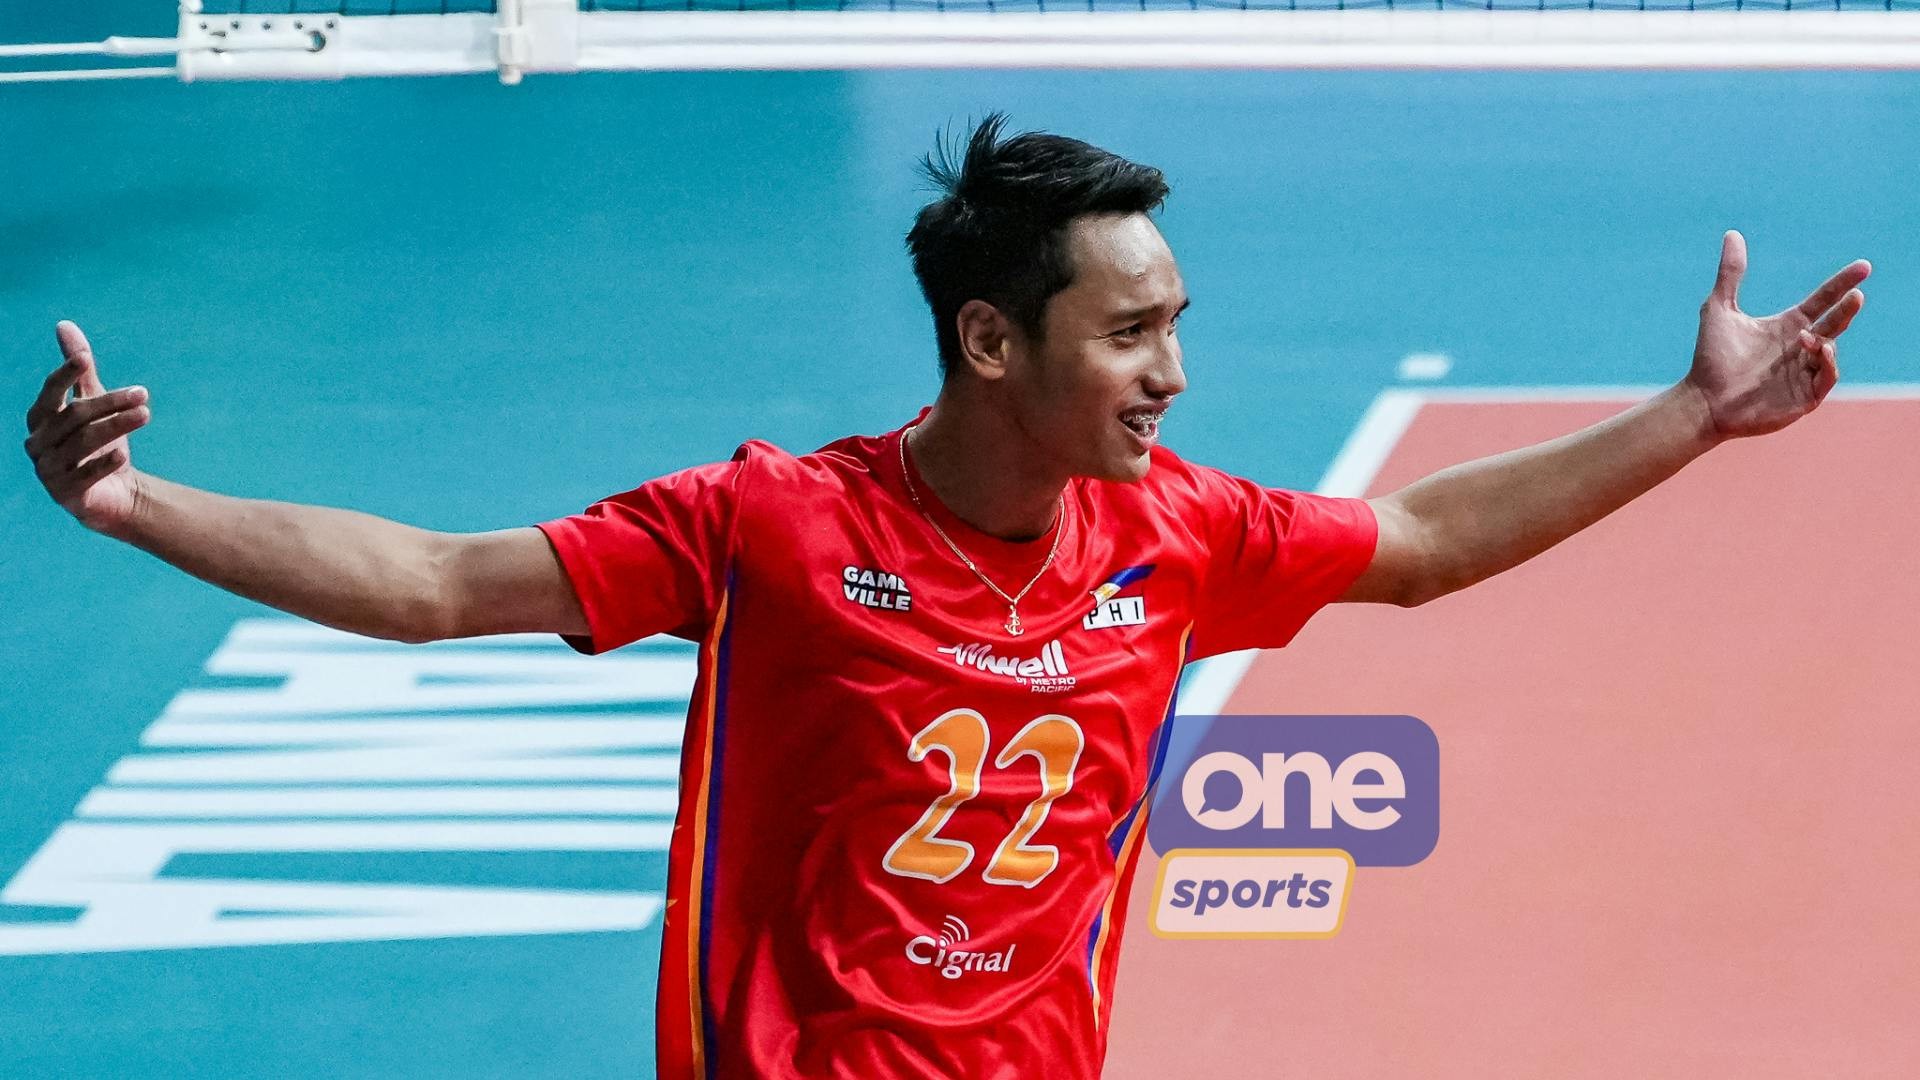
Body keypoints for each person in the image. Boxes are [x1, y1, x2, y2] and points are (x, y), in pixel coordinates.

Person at [22, 114, 1867, 1080]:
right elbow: (436, 584)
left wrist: (1695, 417)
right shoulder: (768, 528)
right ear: (991, 341)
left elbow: (1424, 541)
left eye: (1177, 327)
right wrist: (131, 503)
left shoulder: (1178, 534)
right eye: (1129, 333)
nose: (1172, 374)